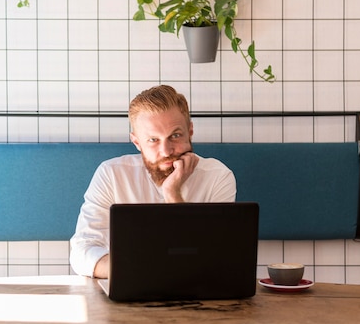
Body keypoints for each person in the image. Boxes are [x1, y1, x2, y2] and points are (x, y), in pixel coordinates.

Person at [69, 85, 237, 278]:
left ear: (190, 131)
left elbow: (211, 258)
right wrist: (138, 270)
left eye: (175, 135)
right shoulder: (111, 174)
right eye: (153, 140)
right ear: (137, 142)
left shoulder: (218, 177)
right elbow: (82, 251)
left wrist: (172, 193)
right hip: (127, 283)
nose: (166, 151)